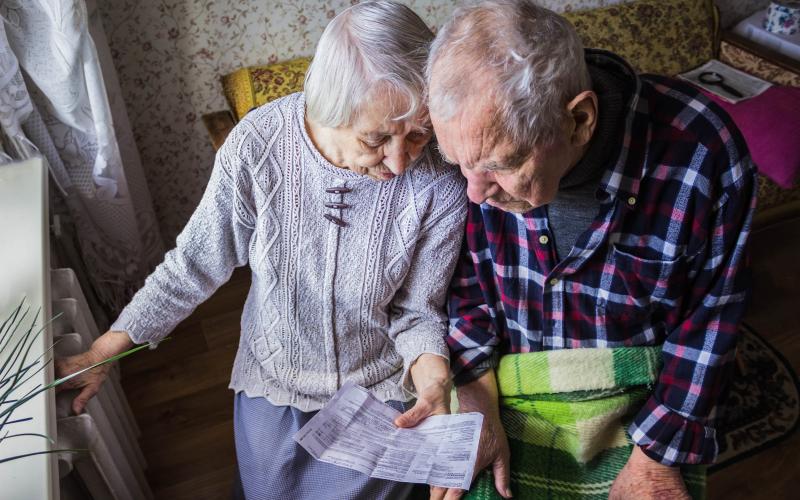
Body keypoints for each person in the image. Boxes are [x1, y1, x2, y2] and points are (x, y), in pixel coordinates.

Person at [55, 2, 466, 499]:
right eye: (376, 139)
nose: (400, 162)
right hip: (278, 377)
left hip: (379, 385)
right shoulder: (258, 147)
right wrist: (102, 353)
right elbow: (192, 266)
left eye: (418, 135)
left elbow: (417, 310)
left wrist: (434, 382)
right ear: (328, 109)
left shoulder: (441, 178)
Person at [426, 1, 757, 499]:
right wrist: (474, 395)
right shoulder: (477, 165)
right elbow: (467, 283)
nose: (474, 193)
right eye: (457, 164)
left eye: (500, 164)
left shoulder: (703, 150)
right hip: (511, 389)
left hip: (644, 407)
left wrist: (655, 460)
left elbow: (712, 320)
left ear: (579, 120)